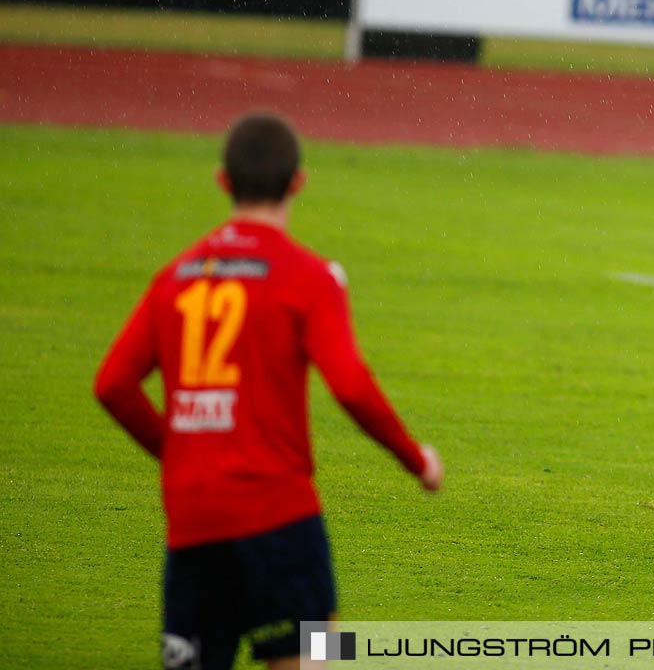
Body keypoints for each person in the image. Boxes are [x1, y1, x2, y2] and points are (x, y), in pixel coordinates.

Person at [94, 112, 441, 670]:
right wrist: (417, 460)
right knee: (322, 653)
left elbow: (112, 385)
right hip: (283, 521)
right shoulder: (309, 277)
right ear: (298, 182)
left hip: (193, 522)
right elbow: (351, 386)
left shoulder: (175, 277)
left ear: (222, 181)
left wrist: (178, 450)